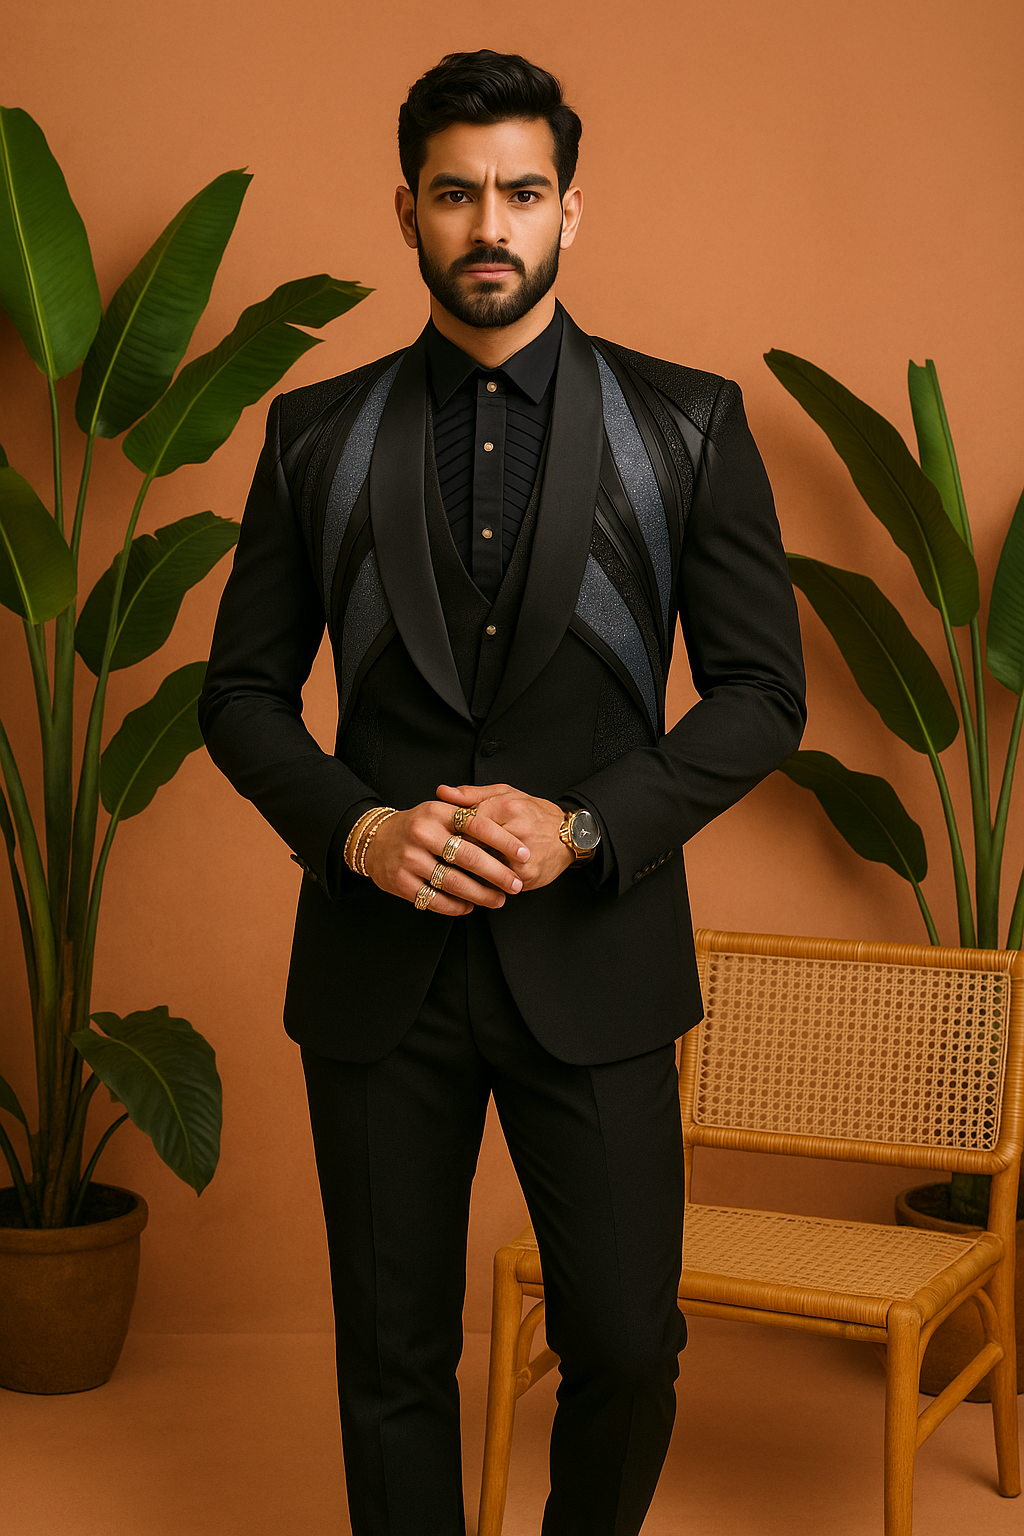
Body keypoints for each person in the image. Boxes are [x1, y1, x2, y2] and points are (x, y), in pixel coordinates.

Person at [199, 47, 805, 1536]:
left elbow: (760, 698)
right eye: (457, 192)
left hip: (598, 963)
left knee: (624, 1348)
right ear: (404, 209)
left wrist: (589, 826)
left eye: (522, 193)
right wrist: (359, 826)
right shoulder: (311, 434)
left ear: (570, 213)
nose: (491, 224)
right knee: (390, 1361)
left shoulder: (690, 428)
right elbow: (240, 697)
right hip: (373, 969)